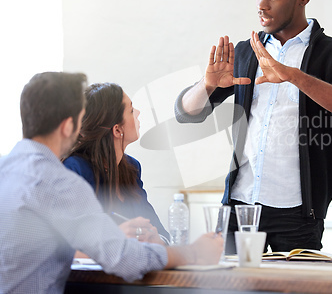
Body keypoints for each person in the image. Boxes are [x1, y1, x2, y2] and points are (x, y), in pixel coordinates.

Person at [175, 0, 332, 253]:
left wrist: (294, 76)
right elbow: (186, 114)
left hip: (297, 213)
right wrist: (207, 85)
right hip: (238, 207)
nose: (262, 4)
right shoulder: (246, 52)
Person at [0, 72, 223, 294]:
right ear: (69, 126)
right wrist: (194, 252)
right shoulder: (58, 182)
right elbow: (122, 258)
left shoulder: (6, 170)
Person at [64, 82, 169, 243]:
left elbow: (162, 234)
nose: (138, 113)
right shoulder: (74, 169)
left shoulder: (132, 168)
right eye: (132, 110)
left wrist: (156, 239)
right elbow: (65, 241)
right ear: (117, 130)